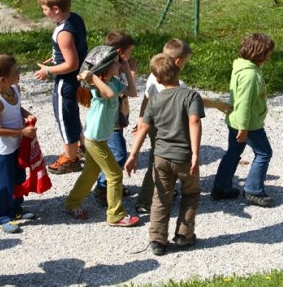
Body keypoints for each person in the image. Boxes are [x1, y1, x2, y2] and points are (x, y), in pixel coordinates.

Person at [133, 38, 231, 214]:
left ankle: (165, 189)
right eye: (185, 63)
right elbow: (195, 101)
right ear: (178, 62)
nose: (185, 65)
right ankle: (145, 201)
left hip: (154, 123)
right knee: (159, 163)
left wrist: (141, 116)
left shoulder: (154, 74)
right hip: (167, 127)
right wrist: (218, 104)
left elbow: (147, 97)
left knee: (160, 162)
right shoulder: (179, 87)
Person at [124, 53, 205, 256]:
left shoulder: (156, 99)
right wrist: (195, 153)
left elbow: (143, 126)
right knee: (191, 193)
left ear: (157, 79)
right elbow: (194, 122)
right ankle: (184, 236)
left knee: (160, 198)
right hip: (184, 157)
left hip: (160, 156)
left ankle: (158, 240)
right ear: (178, 69)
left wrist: (133, 155)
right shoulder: (191, 95)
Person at [65, 45, 140, 227]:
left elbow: (132, 92)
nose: (118, 67)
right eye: (115, 64)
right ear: (105, 67)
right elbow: (109, 94)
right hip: (94, 140)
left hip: (98, 138)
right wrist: (92, 77)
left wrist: (126, 68)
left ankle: (72, 203)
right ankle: (115, 215)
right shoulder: (97, 86)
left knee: (90, 173)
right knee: (114, 175)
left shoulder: (112, 81)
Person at [212, 33, 276, 207]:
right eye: (268, 53)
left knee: (233, 152)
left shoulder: (240, 66)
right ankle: (254, 191)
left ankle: (221, 187)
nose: (269, 57)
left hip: (235, 120)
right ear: (260, 54)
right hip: (248, 123)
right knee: (264, 153)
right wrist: (244, 127)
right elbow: (245, 103)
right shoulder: (251, 75)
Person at [34, 0, 88, 174]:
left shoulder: (63, 34)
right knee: (72, 113)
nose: (44, 12)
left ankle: (70, 158)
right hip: (77, 77)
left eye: (45, 9)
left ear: (56, 9)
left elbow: (71, 64)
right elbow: (75, 51)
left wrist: (48, 71)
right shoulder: (76, 19)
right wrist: (55, 59)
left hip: (66, 81)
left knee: (65, 117)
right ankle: (81, 146)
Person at [0, 55, 37, 233]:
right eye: (16, 72)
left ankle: (16, 209)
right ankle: (1, 217)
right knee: (3, 183)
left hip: (16, 145)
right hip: (2, 149)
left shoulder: (14, 89)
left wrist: (26, 115)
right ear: (3, 78)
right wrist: (21, 132)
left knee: (18, 178)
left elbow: (18, 108)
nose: (19, 74)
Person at [93, 31, 137, 205]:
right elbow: (121, 91)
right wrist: (130, 71)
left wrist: (127, 67)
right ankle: (104, 186)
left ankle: (109, 184)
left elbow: (132, 92)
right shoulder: (110, 69)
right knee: (118, 153)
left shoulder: (116, 66)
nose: (130, 55)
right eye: (129, 51)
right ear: (120, 51)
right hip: (111, 120)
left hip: (118, 116)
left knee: (114, 151)